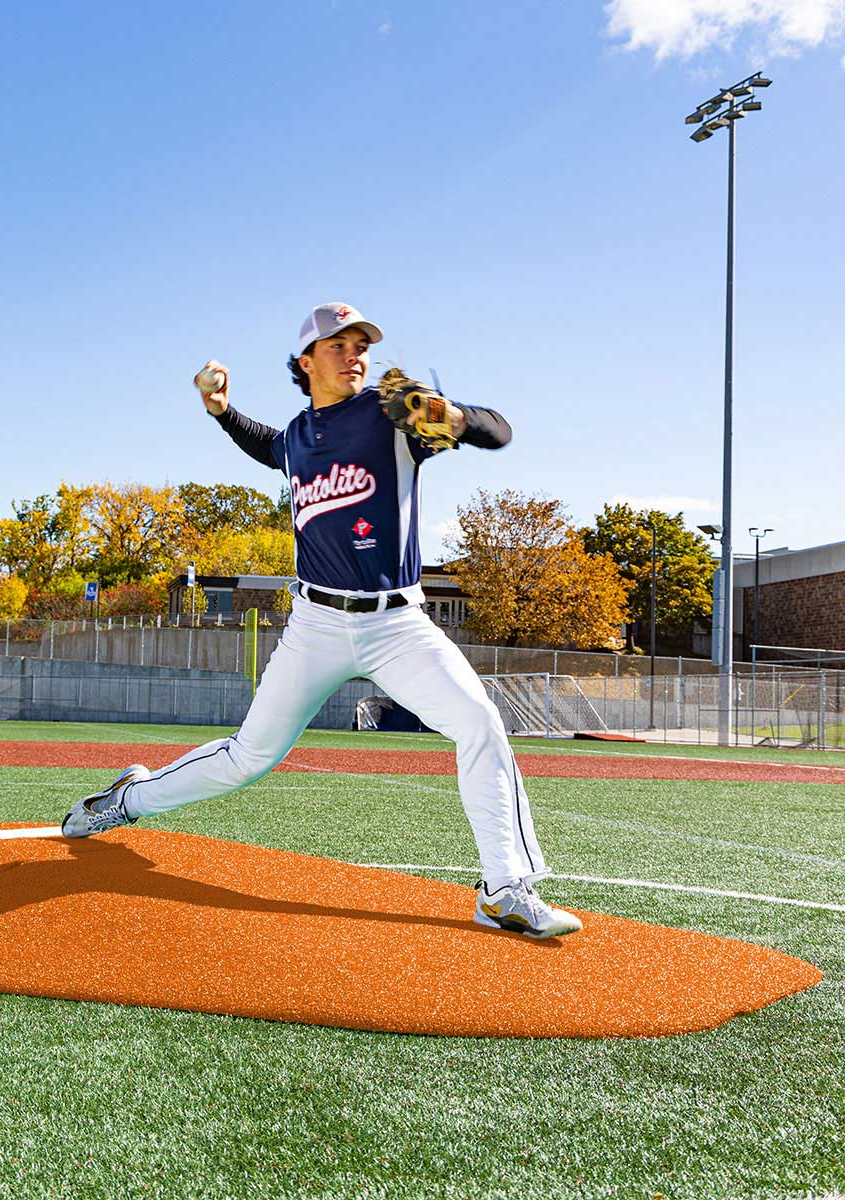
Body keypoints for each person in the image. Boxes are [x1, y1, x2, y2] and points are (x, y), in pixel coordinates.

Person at [62, 302, 582, 938]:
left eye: (361, 342)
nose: (355, 352)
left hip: (399, 625)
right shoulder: (299, 434)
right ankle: (127, 798)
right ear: (306, 362)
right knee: (248, 757)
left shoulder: (392, 415)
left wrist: (451, 416)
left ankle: (504, 888)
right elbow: (271, 448)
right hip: (315, 624)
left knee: (479, 724)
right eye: (338, 344)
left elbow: (498, 432)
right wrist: (222, 411)